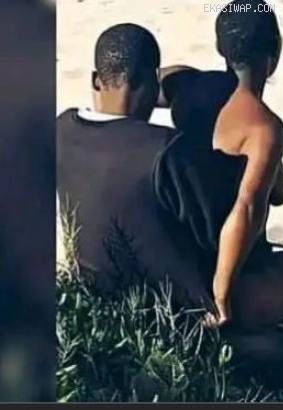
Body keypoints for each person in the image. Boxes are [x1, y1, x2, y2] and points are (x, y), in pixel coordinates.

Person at [155, 0, 283, 342]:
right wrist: (221, 295)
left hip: (186, 260)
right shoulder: (263, 128)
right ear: (275, 51)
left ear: (220, 48)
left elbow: (148, 79)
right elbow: (246, 209)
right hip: (235, 279)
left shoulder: (188, 86)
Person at [57, 23, 210, 308]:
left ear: (95, 80)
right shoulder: (166, 147)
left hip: (93, 300)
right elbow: (209, 233)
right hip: (173, 310)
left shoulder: (62, 129)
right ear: (154, 87)